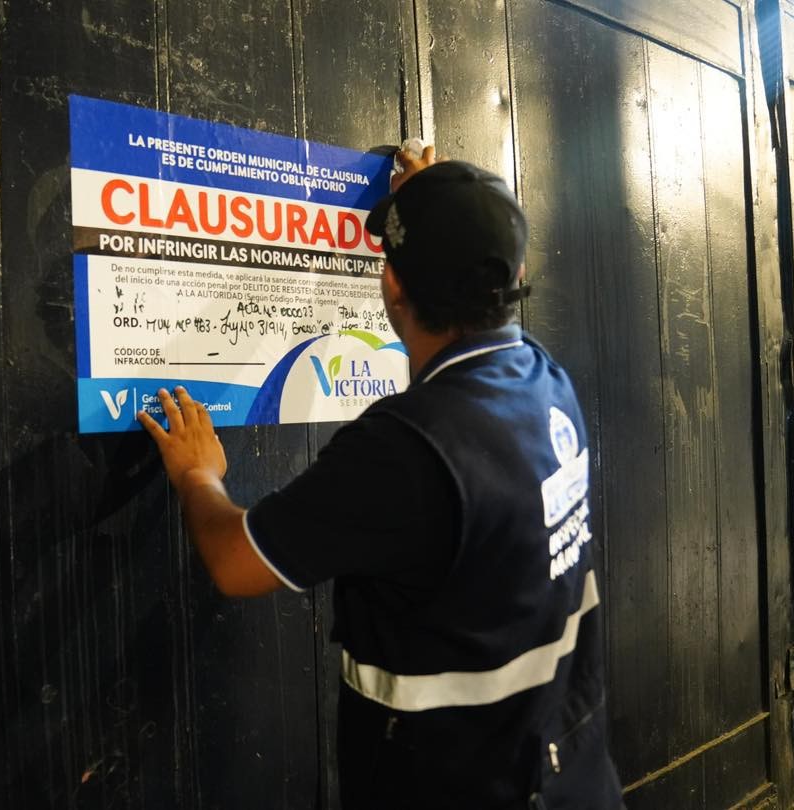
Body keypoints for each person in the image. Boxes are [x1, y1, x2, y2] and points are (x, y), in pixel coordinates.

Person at [137, 145, 624, 809]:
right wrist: (441, 207)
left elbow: (234, 562)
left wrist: (198, 473)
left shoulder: (405, 448)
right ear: (515, 275)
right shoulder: (545, 379)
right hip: (571, 778)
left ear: (392, 285)